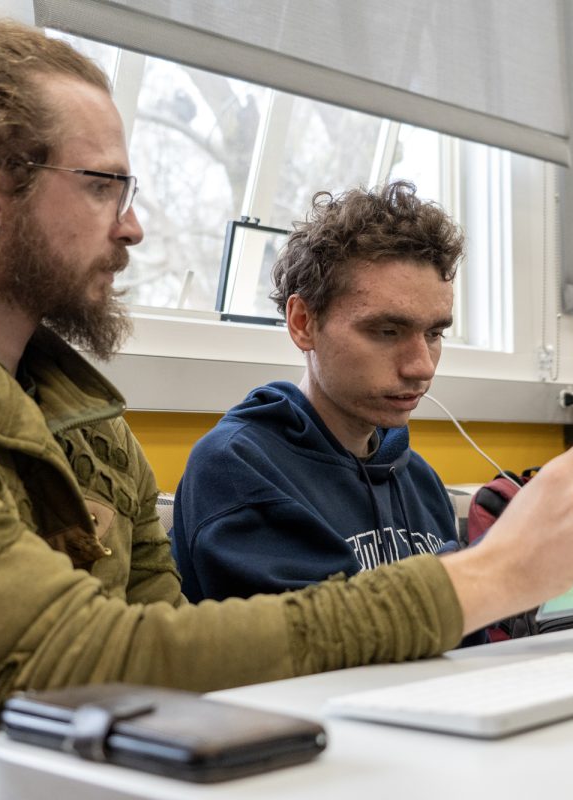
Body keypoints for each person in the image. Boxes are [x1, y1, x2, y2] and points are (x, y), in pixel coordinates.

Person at [0, 18, 573, 800]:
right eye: (104, 186)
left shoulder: (87, 430)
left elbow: (173, 657)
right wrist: (484, 577)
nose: (132, 227)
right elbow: (85, 668)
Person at [172, 182, 466, 602]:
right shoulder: (236, 468)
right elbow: (316, 650)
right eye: (387, 330)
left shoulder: (417, 478)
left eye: (434, 332)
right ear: (303, 322)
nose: (421, 366)